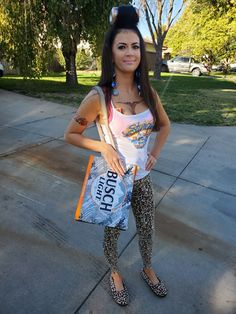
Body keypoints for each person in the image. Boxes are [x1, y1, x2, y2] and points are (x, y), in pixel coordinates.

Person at [64, 4, 171, 306]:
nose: (130, 52)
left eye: (135, 46)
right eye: (122, 46)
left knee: (148, 229)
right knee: (112, 234)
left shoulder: (147, 91)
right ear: (110, 52)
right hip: (115, 181)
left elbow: (164, 126)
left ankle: (148, 268)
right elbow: (70, 134)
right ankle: (114, 272)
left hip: (143, 179)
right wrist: (103, 147)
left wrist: (155, 154)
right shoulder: (98, 97)